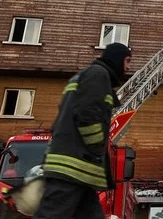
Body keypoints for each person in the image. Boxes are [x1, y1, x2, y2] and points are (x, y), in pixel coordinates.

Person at [34, 43, 130, 219]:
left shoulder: (83, 77)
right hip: (72, 167)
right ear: (117, 59)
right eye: (127, 60)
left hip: (78, 171)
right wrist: (96, 150)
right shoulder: (98, 75)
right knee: (51, 215)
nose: (128, 66)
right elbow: (88, 115)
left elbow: (61, 122)